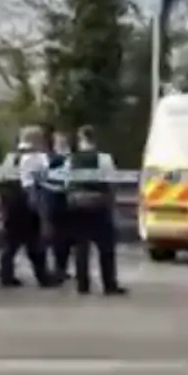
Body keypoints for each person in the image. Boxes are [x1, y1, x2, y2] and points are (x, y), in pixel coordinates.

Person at [65, 125, 128, 296]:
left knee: (81, 247)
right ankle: (109, 284)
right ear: (95, 139)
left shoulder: (71, 159)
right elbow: (112, 182)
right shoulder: (104, 158)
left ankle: (82, 285)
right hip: (99, 207)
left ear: (80, 139)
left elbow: (66, 183)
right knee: (106, 248)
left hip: (77, 207)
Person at [0, 125, 56, 288]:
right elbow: (36, 183)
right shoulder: (37, 157)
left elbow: (2, 179)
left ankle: (6, 274)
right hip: (28, 202)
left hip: (11, 203)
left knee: (11, 242)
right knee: (35, 241)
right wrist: (39, 207)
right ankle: (43, 277)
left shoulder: (12, 157)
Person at [43, 131, 73, 281]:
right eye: (60, 142)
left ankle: (61, 268)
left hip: (60, 201)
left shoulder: (61, 159)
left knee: (62, 238)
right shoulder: (53, 160)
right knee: (59, 238)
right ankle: (58, 268)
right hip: (57, 200)